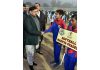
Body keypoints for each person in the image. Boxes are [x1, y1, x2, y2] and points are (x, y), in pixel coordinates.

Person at [24, 6, 43, 70]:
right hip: (29, 40)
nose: (36, 13)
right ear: (30, 12)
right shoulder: (27, 19)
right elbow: (30, 30)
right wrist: (40, 33)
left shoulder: (35, 17)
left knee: (33, 52)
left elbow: (38, 26)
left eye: (37, 11)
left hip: (35, 38)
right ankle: (30, 65)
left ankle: (32, 62)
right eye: (35, 11)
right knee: (29, 53)